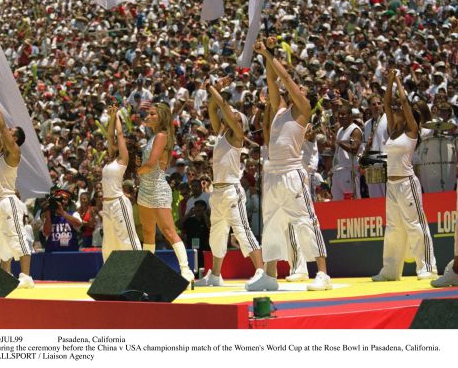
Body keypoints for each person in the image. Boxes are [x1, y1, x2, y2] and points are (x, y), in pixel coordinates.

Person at [255, 37, 331, 291]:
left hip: (292, 172)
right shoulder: (279, 109)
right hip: (274, 174)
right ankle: (269, 274)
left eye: (302, 90)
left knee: (306, 221)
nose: (298, 91)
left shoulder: (304, 109)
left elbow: (286, 80)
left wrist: (269, 53)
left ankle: (322, 273)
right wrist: (266, 56)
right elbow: (272, 82)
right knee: (272, 223)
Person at [194, 77, 264, 289]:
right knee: (217, 234)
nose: (229, 116)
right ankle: (215, 275)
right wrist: (215, 87)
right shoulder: (221, 134)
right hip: (217, 191)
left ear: (239, 121)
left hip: (232, 190)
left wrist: (211, 87)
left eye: (234, 116)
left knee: (243, 231)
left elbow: (222, 105)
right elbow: (213, 106)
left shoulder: (237, 135)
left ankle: (261, 272)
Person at [372, 70, 436, 281]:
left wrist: (399, 80)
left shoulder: (412, 131)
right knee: (392, 228)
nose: (397, 110)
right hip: (391, 184)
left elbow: (405, 102)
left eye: (401, 110)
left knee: (415, 224)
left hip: (407, 183)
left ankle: (426, 265)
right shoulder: (393, 129)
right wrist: (389, 81)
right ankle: (390, 270)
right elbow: (387, 102)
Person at [137, 103, 194, 283]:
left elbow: (152, 162)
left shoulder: (161, 136)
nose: (148, 116)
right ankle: (146, 272)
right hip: (145, 189)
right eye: (148, 113)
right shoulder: (153, 137)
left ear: (160, 118)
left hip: (157, 188)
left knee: (169, 232)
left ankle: (186, 271)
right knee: (147, 232)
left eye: (152, 114)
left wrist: (136, 170)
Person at [0, 97, 34, 288]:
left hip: (8, 201)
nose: (7, 131)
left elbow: (2, 127)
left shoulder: (14, 152)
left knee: (18, 238)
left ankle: (26, 277)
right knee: (2, 242)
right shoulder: (1, 153)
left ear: (15, 139)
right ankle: (6, 275)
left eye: (11, 132)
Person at [101, 106, 141, 262]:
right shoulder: (112, 157)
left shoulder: (123, 159)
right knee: (108, 244)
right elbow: (110, 135)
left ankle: (139, 271)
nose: (116, 143)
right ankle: (111, 276)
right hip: (107, 205)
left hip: (119, 203)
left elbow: (118, 134)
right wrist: (111, 117)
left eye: (121, 143)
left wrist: (117, 116)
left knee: (128, 240)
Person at [331, 104, 363, 200]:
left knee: (351, 201)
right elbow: (337, 150)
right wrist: (331, 142)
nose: (341, 117)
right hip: (338, 170)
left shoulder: (355, 130)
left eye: (343, 114)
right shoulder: (340, 130)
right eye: (339, 115)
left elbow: (354, 149)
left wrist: (339, 142)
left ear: (350, 115)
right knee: (337, 201)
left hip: (349, 170)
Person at [362, 95, 388, 198]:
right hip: (371, 165)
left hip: (384, 163)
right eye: (373, 104)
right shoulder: (367, 124)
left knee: (387, 196)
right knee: (375, 198)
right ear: (369, 107)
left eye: (379, 103)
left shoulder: (388, 120)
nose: (376, 106)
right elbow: (364, 145)